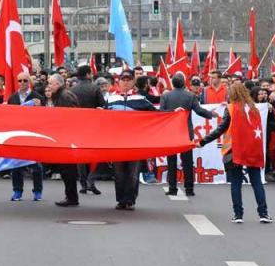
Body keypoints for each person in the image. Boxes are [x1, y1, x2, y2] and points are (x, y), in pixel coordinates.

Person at [198, 82, 272, 224]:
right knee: (256, 181)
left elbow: (221, 129)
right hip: (252, 149)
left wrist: (203, 141)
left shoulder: (231, 109)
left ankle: (238, 215)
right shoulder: (254, 109)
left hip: (234, 150)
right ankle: (263, 213)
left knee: (236, 182)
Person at [106, 69, 156, 210]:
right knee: (119, 173)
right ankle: (121, 200)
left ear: (133, 81)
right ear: (119, 81)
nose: (126, 82)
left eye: (129, 79)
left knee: (133, 173)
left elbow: (157, 117)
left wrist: (173, 113)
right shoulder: (110, 99)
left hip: (136, 143)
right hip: (116, 143)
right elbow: (102, 120)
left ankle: (130, 200)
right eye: (123, 79)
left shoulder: (140, 99)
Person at [160, 73, 218, 196]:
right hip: (186, 132)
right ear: (185, 82)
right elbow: (199, 111)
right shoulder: (190, 96)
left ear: (173, 83)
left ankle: (172, 188)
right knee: (187, 161)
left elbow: (161, 113)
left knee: (171, 161)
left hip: (170, 133)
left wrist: (172, 111)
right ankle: (189, 189)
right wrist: (211, 114)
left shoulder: (166, 96)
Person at [44, 74, 82, 207]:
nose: (48, 86)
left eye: (50, 83)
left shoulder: (65, 96)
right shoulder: (62, 96)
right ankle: (70, 196)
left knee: (68, 170)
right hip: (64, 137)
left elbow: (70, 117)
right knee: (66, 170)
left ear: (58, 84)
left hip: (67, 138)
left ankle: (71, 197)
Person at [7, 72, 45, 201]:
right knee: (16, 166)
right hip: (17, 135)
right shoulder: (12, 98)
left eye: (24, 80)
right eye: (19, 81)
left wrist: (39, 107)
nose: (22, 83)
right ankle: (17, 191)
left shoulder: (37, 97)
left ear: (29, 82)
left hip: (33, 135)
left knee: (36, 166)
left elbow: (45, 116)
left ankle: (37, 191)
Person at [70, 65, 106, 195]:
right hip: (93, 126)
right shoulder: (95, 88)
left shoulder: (72, 89)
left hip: (77, 126)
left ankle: (83, 183)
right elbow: (102, 105)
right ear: (88, 74)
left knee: (80, 156)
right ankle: (91, 181)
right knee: (95, 155)